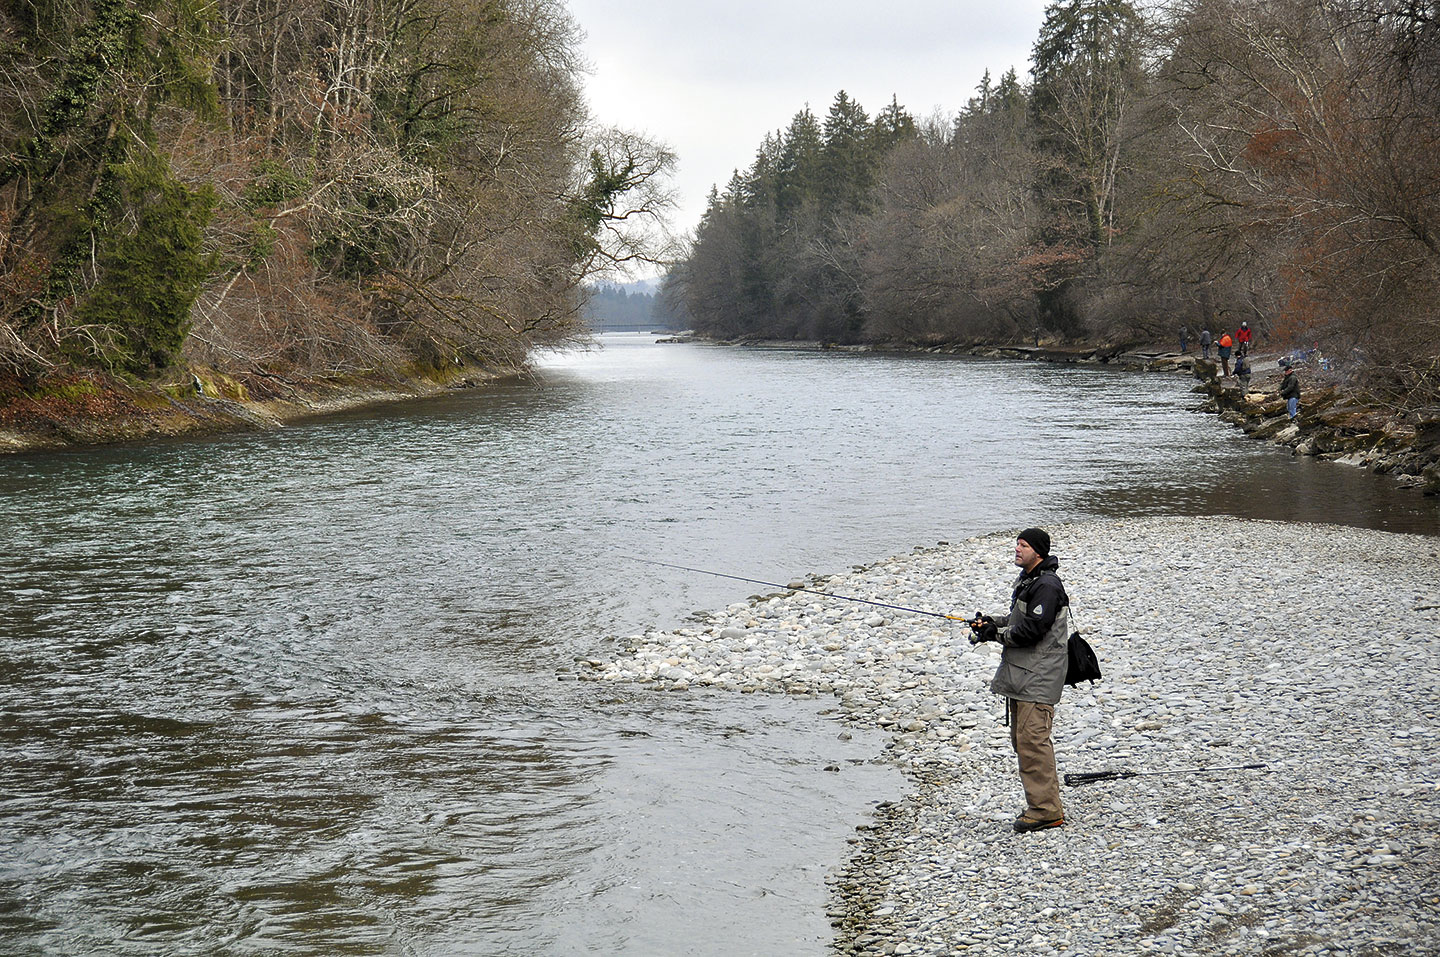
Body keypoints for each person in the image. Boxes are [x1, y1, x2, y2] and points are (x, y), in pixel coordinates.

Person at [969, 528, 1071, 833]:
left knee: (1033, 743)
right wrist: (991, 623)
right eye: (1017, 543)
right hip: (1026, 676)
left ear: (1037, 552)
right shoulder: (1031, 580)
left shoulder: (1047, 586)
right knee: (1024, 742)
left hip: (1038, 678)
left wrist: (996, 634)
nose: (1017, 549)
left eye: (1023, 545)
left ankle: (1046, 811)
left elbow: (1032, 631)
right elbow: (1019, 621)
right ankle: (1043, 805)